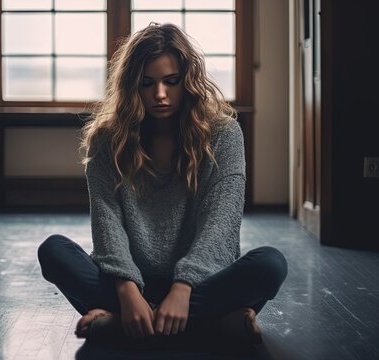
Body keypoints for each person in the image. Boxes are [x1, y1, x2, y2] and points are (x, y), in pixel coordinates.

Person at [37, 23, 287, 346]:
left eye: (171, 81)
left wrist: (183, 288)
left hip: (200, 286)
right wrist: (127, 290)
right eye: (147, 83)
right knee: (54, 251)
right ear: (131, 86)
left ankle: (122, 326)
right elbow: (106, 221)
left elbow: (220, 224)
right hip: (127, 286)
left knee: (270, 265)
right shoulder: (106, 140)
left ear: (189, 80)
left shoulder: (224, 135)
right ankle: (208, 326)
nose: (160, 94)